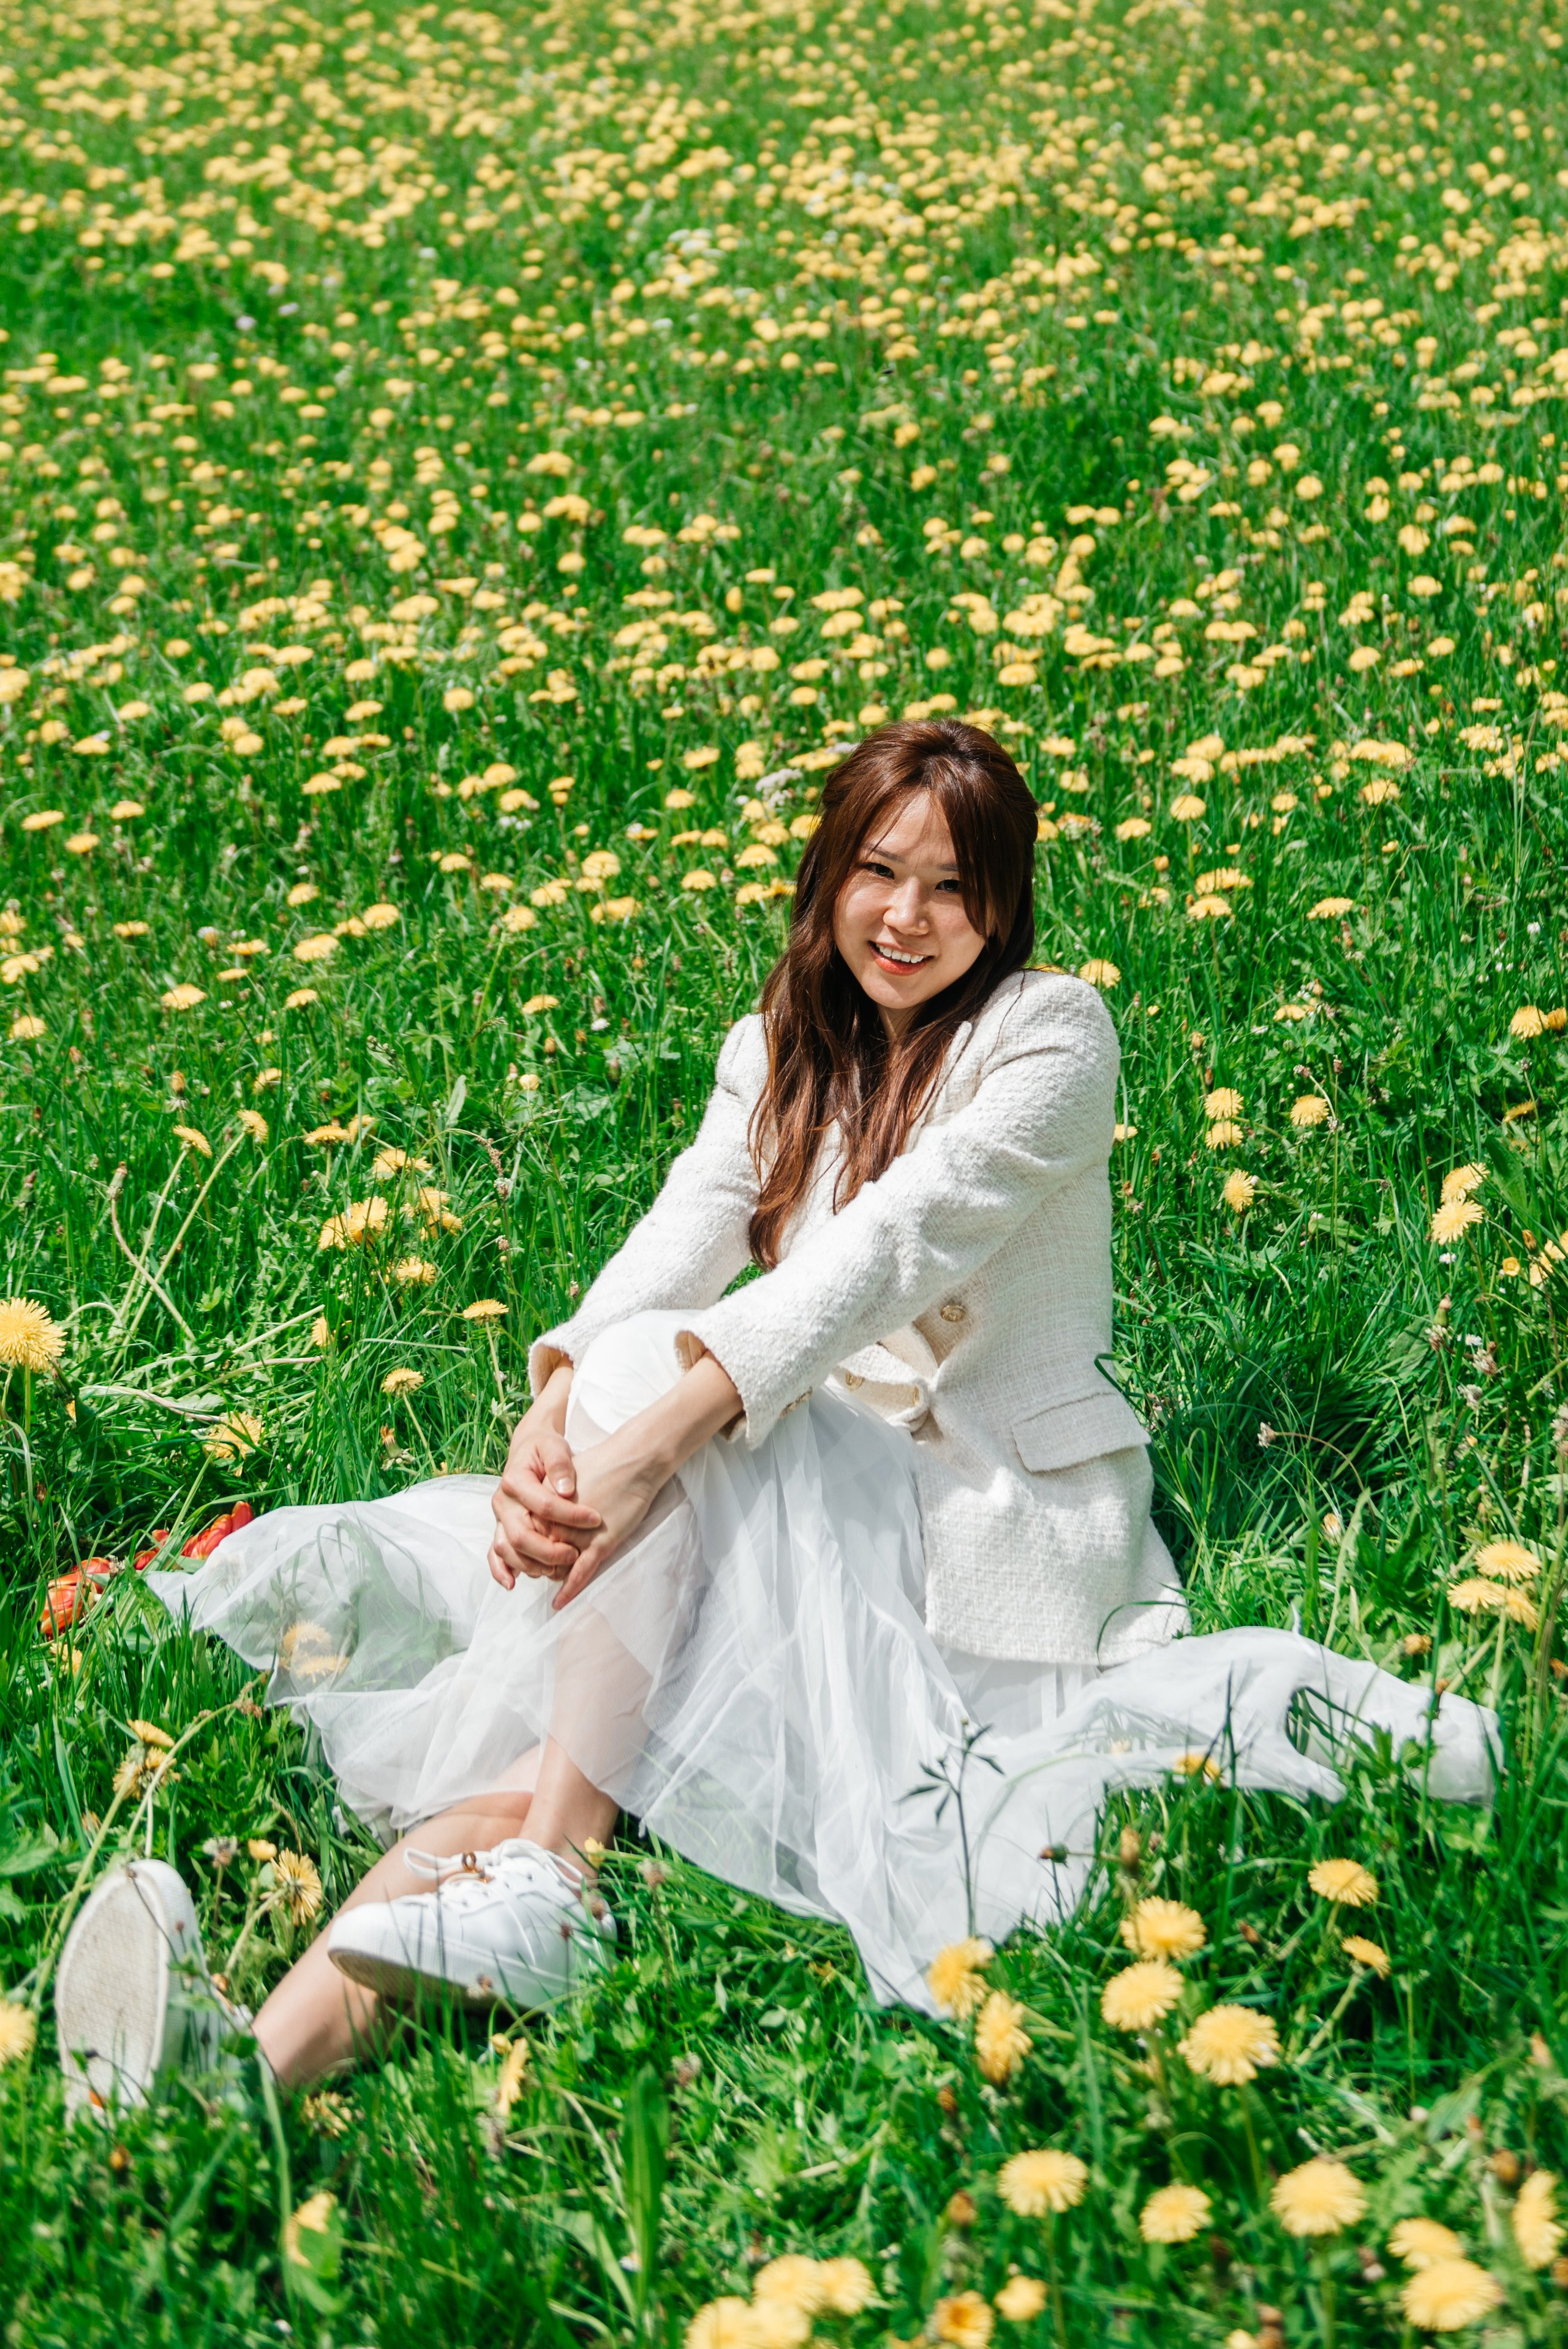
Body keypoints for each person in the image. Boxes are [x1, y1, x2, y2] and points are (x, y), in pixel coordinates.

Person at [53, 720, 1496, 2116]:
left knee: (609, 1588)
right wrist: (552, 1406)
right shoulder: (779, 1046)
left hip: (969, 1552)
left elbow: (890, 1254)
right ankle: (245, 2075)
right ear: (825, 874)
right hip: (791, 1512)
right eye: (877, 870)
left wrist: (650, 1433)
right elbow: (677, 1236)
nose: (907, 915)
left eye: (953, 886)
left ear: (1001, 909)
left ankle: (551, 1876)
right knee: (550, 1761)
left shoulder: (1051, 1037)